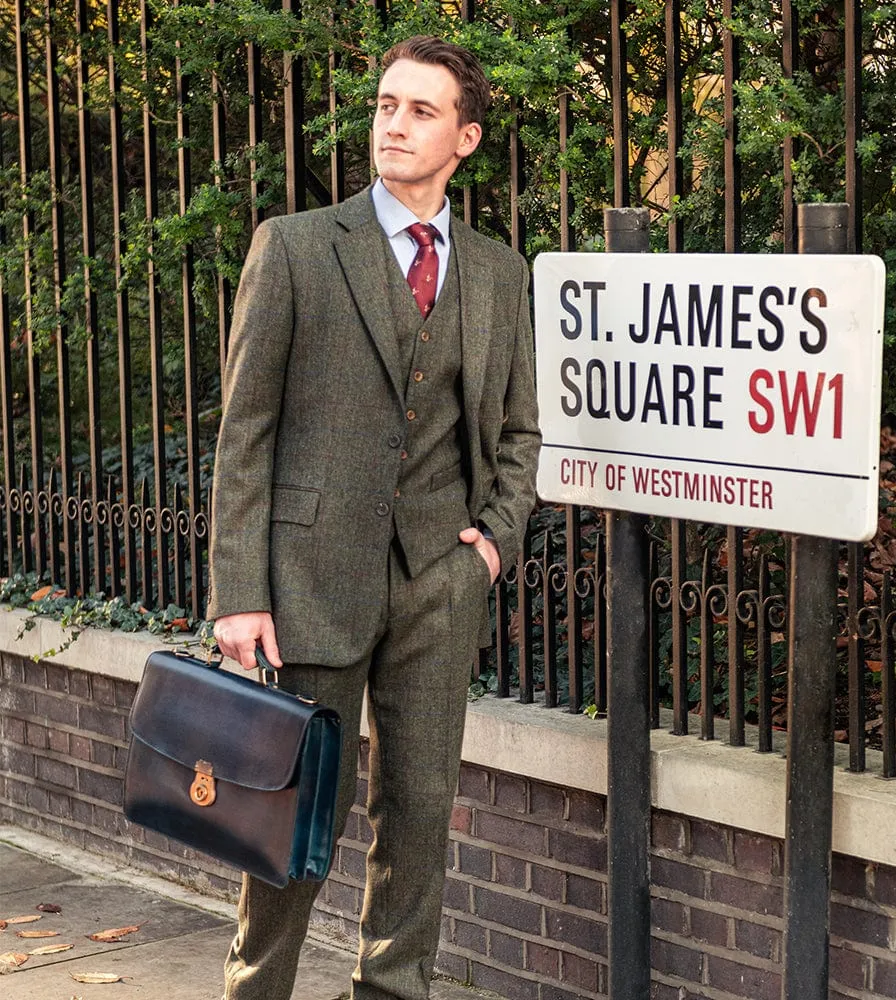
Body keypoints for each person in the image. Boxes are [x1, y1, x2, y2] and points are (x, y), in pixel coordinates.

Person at [205, 34, 541, 1000]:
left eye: (421, 110)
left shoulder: (497, 271)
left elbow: (519, 431)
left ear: (465, 137)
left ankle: (392, 991)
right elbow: (246, 433)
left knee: (420, 815)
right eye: (388, 105)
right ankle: (256, 989)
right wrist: (241, 592)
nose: (394, 123)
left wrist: (494, 543)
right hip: (310, 583)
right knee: (293, 815)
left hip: (440, 585)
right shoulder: (300, 246)